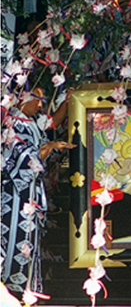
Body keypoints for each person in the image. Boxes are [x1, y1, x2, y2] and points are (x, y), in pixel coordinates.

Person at [1, 87, 76, 295]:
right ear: (22, 99)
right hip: (16, 195)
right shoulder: (12, 123)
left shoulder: (29, 122)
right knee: (16, 238)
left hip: (29, 194)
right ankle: (11, 289)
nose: (40, 104)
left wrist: (67, 102)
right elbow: (25, 158)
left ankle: (25, 288)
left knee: (28, 239)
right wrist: (50, 146)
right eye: (37, 99)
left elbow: (50, 125)